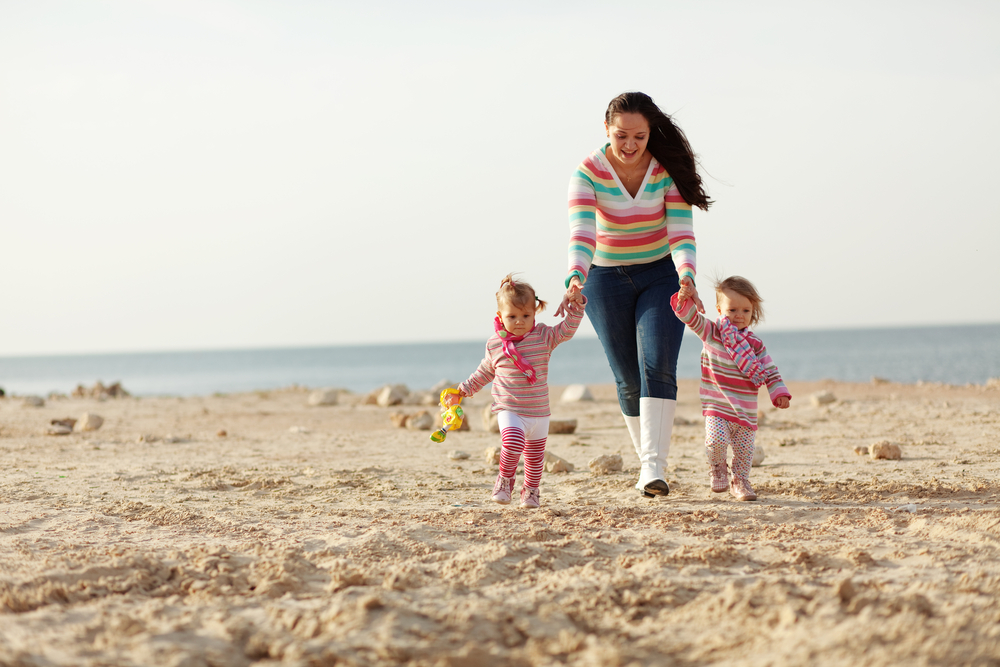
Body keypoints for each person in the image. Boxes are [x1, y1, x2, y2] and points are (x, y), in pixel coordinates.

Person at [557, 91, 711, 499]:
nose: (630, 145)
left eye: (639, 137)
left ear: (649, 134)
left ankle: (652, 468)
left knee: (658, 365)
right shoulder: (586, 173)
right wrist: (575, 277)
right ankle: (649, 460)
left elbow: (680, 230)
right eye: (621, 135)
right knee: (627, 378)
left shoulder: (664, 170)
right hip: (603, 278)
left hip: (662, 275)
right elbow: (582, 233)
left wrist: (687, 275)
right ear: (606, 130)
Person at [447, 275, 585, 509]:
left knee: (534, 458)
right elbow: (484, 373)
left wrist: (576, 305)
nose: (519, 322)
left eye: (526, 316)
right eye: (512, 316)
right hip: (509, 408)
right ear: (500, 316)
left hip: (539, 411)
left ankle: (531, 491)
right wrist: (462, 391)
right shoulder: (494, 344)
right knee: (512, 441)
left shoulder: (543, 336)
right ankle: (505, 480)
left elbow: (567, 330)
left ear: (534, 313)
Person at [671, 276, 791, 501]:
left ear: (752, 311)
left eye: (746, 310)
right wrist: (684, 298)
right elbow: (689, 317)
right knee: (715, 442)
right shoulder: (711, 332)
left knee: (745, 453)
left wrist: (779, 392)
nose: (739, 315)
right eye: (732, 309)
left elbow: (770, 370)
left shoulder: (755, 345)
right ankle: (717, 468)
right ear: (719, 309)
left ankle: (740, 481)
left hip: (745, 410)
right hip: (717, 405)